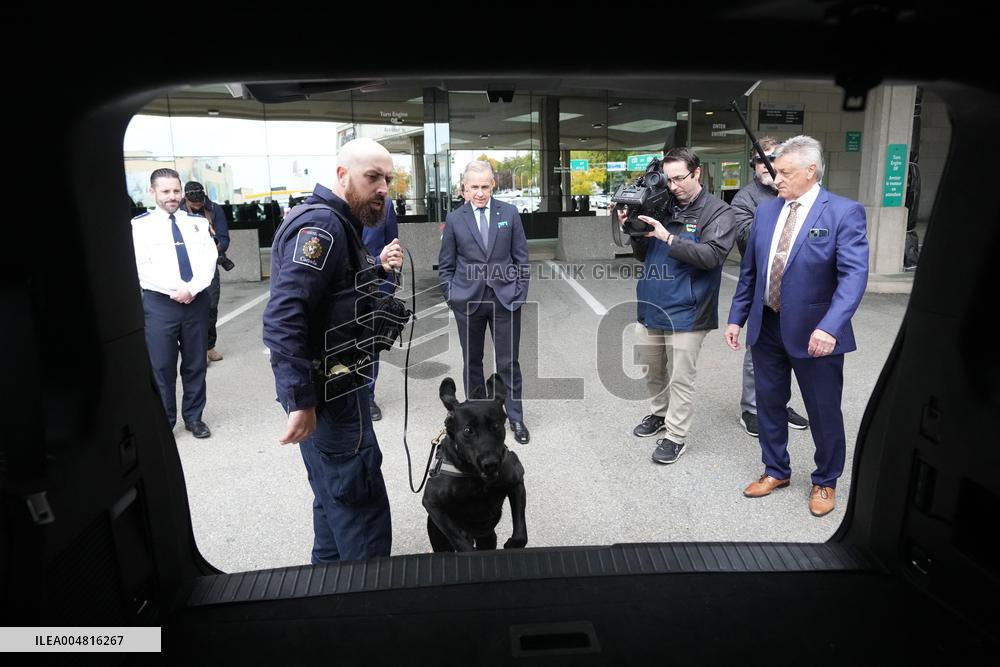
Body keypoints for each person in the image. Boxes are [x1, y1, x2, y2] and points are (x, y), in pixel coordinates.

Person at [262, 138, 404, 563]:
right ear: (342, 175)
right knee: (359, 508)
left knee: (330, 499)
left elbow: (329, 289)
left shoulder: (336, 222)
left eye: (389, 180)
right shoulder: (323, 226)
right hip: (333, 395)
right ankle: (368, 609)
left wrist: (374, 266)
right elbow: (285, 315)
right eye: (373, 177)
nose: (383, 189)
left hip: (331, 389)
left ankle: (326, 588)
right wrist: (301, 401)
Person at [725, 135, 868, 517]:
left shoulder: (843, 212)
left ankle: (825, 481)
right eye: (774, 172)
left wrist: (831, 327)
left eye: (785, 172)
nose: (776, 180)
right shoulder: (768, 212)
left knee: (823, 410)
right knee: (769, 404)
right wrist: (737, 318)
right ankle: (776, 470)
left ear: (811, 170)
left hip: (816, 332)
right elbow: (751, 273)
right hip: (767, 325)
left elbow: (853, 277)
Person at [616, 147, 737, 465]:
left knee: (681, 377)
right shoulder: (661, 203)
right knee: (652, 368)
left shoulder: (719, 212)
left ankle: (676, 436)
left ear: (697, 173)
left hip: (690, 311)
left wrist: (669, 238)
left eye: (679, 178)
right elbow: (644, 254)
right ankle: (659, 413)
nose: (673, 186)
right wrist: (633, 228)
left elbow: (711, 256)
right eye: (668, 180)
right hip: (652, 303)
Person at [438, 160, 531, 444]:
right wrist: (452, 296)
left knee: (508, 363)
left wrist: (519, 292)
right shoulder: (455, 219)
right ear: (464, 188)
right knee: (473, 362)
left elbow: (521, 258)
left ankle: (514, 417)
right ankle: (477, 420)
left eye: (485, 186)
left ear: (493, 185)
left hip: (505, 299)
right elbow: (446, 265)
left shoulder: (510, 213)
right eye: (474, 187)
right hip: (468, 300)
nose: (480, 192)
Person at [731, 137, 810, 438]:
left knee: (790, 352)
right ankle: (751, 408)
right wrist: (783, 204)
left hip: (797, 292)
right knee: (758, 354)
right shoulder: (746, 199)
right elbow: (746, 240)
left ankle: (778, 404)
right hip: (763, 289)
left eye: (775, 157)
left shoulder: (803, 194)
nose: (767, 164)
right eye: (760, 159)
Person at [131, 168, 218, 438]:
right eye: (166, 191)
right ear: (152, 192)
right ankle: (165, 420)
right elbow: (140, 266)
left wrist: (192, 288)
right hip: (161, 304)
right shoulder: (140, 226)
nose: (172, 196)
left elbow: (209, 259)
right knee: (162, 366)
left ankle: (194, 418)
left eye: (176, 191)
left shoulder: (198, 223)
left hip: (195, 301)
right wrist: (175, 290)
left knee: (195, 364)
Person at [180, 181, 230, 364]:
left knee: (210, 306)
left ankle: (209, 346)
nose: (198, 206)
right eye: (194, 205)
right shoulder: (177, 211)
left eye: (200, 203)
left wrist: (212, 250)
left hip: (208, 264)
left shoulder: (214, 209)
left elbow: (224, 238)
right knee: (188, 308)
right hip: (185, 265)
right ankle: (195, 350)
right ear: (185, 198)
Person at [361, 195, 400, 421]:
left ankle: (367, 395)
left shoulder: (385, 205)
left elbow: (392, 244)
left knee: (371, 342)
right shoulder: (337, 204)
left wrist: (389, 285)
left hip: (376, 284)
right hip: (344, 285)